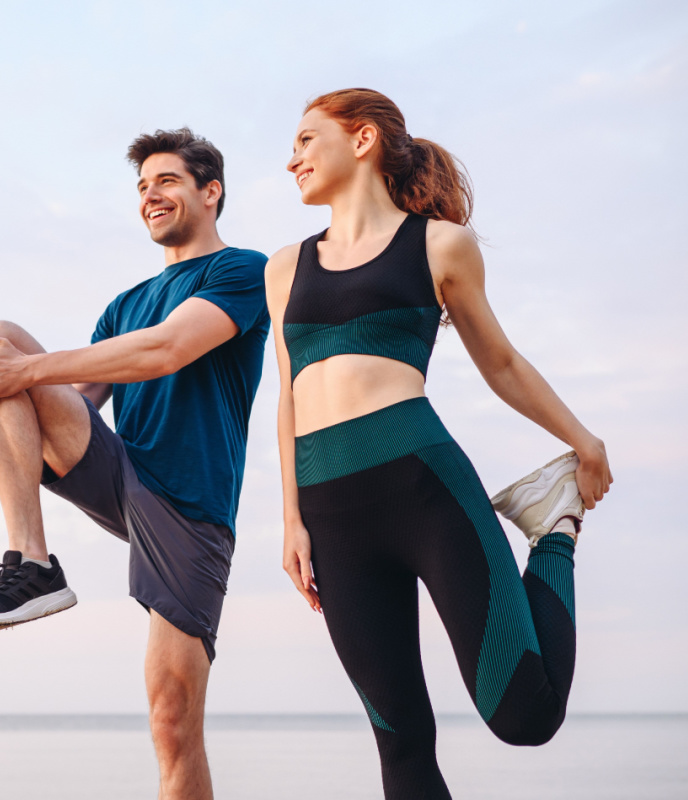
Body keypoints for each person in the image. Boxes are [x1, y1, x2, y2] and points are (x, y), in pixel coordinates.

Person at [265, 89, 613, 799]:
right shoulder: (283, 268)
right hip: (331, 515)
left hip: (422, 489)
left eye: (306, 139)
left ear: (361, 140)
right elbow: (288, 396)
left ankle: (551, 529)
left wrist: (583, 441)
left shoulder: (437, 245)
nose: (291, 157)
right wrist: (292, 519)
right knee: (401, 749)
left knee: (526, 715)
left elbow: (502, 364)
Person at [0, 128, 270, 799]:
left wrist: (26, 369)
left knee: (171, 718)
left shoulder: (241, 270)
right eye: (143, 186)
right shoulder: (122, 306)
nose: (151, 195)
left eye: (168, 181)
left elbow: (164, 352)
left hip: (190, 505)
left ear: (210, 192)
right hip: (119, 473)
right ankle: (31, 562)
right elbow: (78, 403)